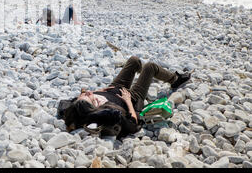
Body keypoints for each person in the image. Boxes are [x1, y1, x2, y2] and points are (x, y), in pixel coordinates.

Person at [60, 56, 192, 139]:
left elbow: (64, 104)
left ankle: (144, 77)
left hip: (115, 87)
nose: (89, 93)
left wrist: (98, 92)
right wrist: (128, 101)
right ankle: (174, 79)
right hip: (133, 98)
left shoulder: (77, 107)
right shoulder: (109, 114)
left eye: (85, 94)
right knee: (150, 67)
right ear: (95, 108)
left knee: (134, 61)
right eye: (92, 98)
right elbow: (133, 125)